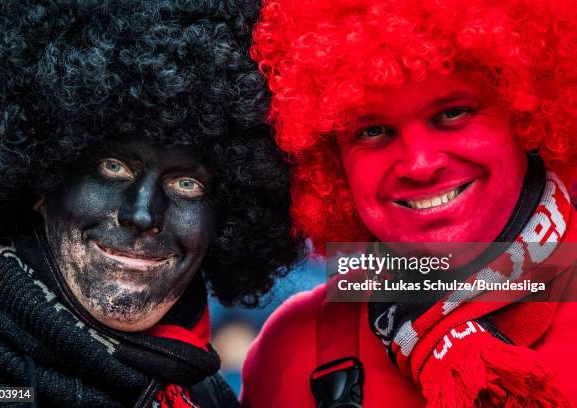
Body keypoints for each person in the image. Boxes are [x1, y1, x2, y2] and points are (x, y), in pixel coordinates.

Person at [0, 1, 303, 407]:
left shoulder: (206, 396)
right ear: (41, 180)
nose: (142, 215)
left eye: (186, 183)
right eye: (114, 167)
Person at [242, 0, 577, 406]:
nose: (419, 165)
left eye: (452, 113)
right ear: (331, 161)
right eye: (374, 130)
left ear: (525, 111)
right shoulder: (293, 350)